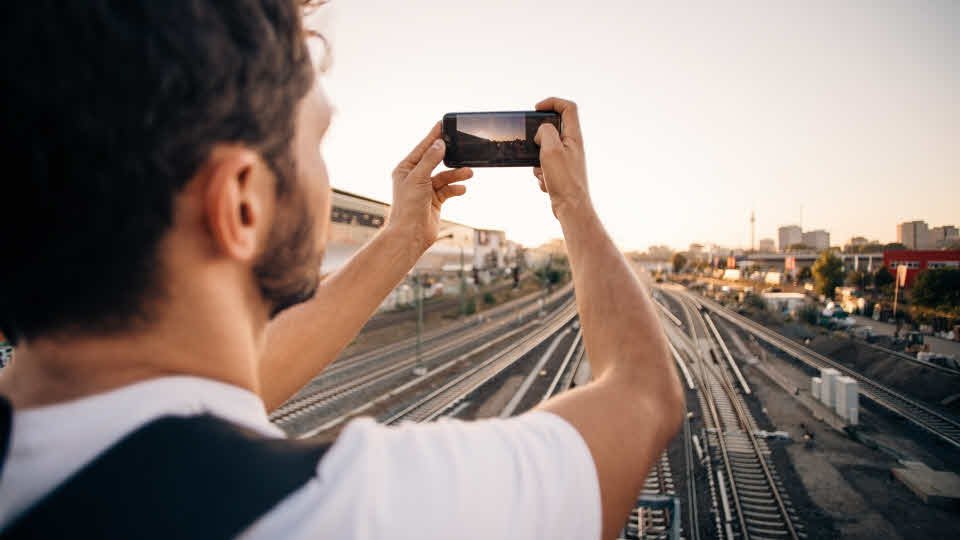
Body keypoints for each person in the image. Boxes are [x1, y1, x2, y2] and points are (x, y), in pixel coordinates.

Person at [0, 1, 684, 538]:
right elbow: (644, 397)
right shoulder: (343, 514)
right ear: (242, 202)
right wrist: (574, 204)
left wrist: (401, 239)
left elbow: (217, 381)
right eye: (318, 141)